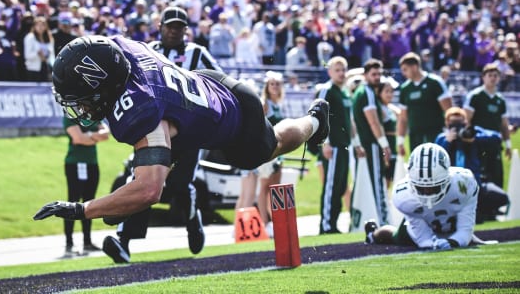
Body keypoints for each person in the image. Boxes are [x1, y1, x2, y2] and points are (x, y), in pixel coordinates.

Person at [33, 35, 330, 253]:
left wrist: (80, 209)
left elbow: (149, 190)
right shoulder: (118, 48)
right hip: (206, 88)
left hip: (236, 117)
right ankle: (174, 216)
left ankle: (314, 121)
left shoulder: (141, 109)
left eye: (83, 99)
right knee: (140, 184)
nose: (81, 108)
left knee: (271, 145)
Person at [102, 6, 222, 263]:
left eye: (179, 27)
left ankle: (191, 217)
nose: (174, 31)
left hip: (190, 129)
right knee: (141, 181)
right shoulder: (146, 51)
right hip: (156, 127)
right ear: (161, 27)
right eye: (170, 26)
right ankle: (124, 240)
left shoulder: (197, 53)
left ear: (185, 30)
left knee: (179, 185)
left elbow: (219, 80)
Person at [365, 143, 478, 251]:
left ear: (447, 180)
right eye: (421, 188)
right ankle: (372, 234)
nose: (428, 194)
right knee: (395, 236)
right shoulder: (403, 196)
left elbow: (465, 231)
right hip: (423, 221)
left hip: (451, 226)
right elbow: (423, 240)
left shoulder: (463, 184)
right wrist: (433, 244)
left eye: (434, 188)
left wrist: (453, 241)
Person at [434, 107, 509, 223]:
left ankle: (482, 211)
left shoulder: (473, 133)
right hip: (449, 186)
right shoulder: (442, 138)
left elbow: (496, 138)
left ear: (465, 121)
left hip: (474, 183)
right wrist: (447, 142)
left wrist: (474, 139)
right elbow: (435, 158)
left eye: (460, 122)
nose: (457, 126)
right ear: (447, 123)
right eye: (453, 123)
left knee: (501, 198)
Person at [314, 56, 362, 234]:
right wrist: (325, 143)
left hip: (345, 145)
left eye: (343, 70)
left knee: (341, 186)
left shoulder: (344, 92)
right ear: (330, 72)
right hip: (333, 146)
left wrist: (356, 143)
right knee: (332, 187)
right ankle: (327, 225)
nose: (341, 73)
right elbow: (319, 116)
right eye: (337, 70)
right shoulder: (328, 90)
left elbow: (350, 121)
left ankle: (333, 224)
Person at [61, 116, 110, 257]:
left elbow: (106, 134)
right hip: (75, 164)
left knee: (89, 203)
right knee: (73, 201)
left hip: (92, 164)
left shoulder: (91, 117)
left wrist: (88, 136)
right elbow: (78, 139)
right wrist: (95, 137)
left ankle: (87, 242)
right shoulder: (69, 118)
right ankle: (69, 243)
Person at [351, 58, 391, 226]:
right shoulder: (367, 92)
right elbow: (373, 121)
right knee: (377, 182)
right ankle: (382, 220)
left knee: (368, 183)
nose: (377, 77)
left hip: (364, 143)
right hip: (371, 144)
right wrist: (384, 144)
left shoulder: (360, 92)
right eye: (374, 74)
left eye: (379, 74)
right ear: (366, 75)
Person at [462, 64, 512, 187]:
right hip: (478, 142)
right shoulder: (475, 96)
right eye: (490, 75)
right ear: (483, 77)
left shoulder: (500, 100)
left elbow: (504, 125)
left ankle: (495, 204)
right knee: (477, 177)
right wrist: (468, 138)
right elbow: (466, 120)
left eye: (496, 75)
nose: (493, 78)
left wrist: (508, 145)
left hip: (494, 143)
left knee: (496, 175)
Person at [396, 52, 452, 155]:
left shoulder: (435, 82)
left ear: (414, 67)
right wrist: (400, 141)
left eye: (405, 69)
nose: (403, 73)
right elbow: (403, 118)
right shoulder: (405, 88)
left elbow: (449, 110)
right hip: (415, 136)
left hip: (435, 134)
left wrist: (450, 131)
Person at [256, 71, 286, 238]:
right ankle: (264, 222)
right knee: (265, 186)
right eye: (272, 84)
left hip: (278, 150)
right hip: (268, 150)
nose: (274, 87)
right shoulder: (265, 103)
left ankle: (274, 220)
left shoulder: (277, 104)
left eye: (277, 84)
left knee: (276, 186)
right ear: (267, 86)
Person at [376, 77, 401, 188]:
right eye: (386, 91)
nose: (390, 94)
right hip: (384, 146)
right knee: (383, 179)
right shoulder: (378, 108)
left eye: (391, 91)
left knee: (389, 178)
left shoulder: (390, 108)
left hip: (392, 145)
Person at [23, 16, 54, 81]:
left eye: (42, 25)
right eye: (38, 25)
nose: (40, 27)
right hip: (33, 69)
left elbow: (52, 55)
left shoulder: (49, 38)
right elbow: (27, 55)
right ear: (34, 26)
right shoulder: (30, 37)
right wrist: (38, 54)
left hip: (46, 68)